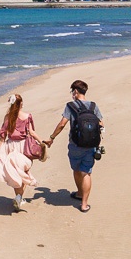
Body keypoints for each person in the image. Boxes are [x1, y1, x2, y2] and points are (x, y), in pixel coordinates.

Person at [45, 80, 103, 213]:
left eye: (72, 91)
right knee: (87, 172)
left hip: (75, 145)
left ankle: (79, 193)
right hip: (91, 145)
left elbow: (62, 124)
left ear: (75, 91)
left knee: (77, 169)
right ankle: (84, 204)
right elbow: (101, 124)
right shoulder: (93, 106)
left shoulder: (70, 106)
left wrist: (52, 138)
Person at [0, 93, 46, 212]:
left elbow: (3, 135)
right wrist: (42, 142)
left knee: (14, 172)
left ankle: (18, 197)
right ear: (21, 104)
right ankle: (19, 197)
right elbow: (32, 132)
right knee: (23, 171)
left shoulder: (8, 117)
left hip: (10, 146)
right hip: (24, 147)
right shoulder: (28, 116)